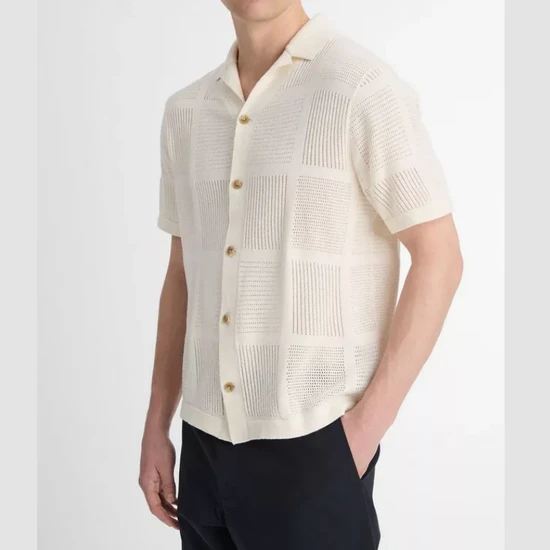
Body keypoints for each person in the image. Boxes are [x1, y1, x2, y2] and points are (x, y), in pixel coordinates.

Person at [139, 1, 463, 549]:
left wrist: (361, 433)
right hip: (202, 445)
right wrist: (157, 425)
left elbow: (440, 257)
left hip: (315, 447)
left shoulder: (362, 88)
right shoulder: (186, 112)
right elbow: (183, 272)